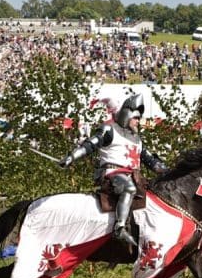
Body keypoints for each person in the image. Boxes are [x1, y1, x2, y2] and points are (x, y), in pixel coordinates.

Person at [59, 94, 167, 249]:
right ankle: (119, 228)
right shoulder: (109, 130)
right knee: (129, 188)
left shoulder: (137, 139)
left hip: (134, 176)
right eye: (136, 118)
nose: (138, 122)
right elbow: (91, 144)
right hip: (112, 174)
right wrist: (71, 157)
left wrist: (167, 170)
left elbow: (151, 160)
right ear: (127, 115)